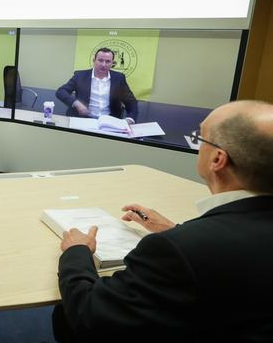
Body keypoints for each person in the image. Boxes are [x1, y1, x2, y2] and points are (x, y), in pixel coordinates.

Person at [53, 100, 273, 343]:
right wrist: (176, 231)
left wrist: (76, 253)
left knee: (63, 314)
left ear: (217, 160)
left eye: (201, 138)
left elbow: (91, 315)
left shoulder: (176, 250)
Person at [55, 47, 138, 123]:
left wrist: (130, 119)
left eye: (108, 61)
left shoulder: (119, 78)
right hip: (82, 120)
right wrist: (76, 103)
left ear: (113, 63)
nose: (103, 65)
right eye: (100, 60)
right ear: (94, 61)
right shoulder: (80, 76)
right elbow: (61, 91)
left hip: (109, 121)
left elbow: (131, 102)